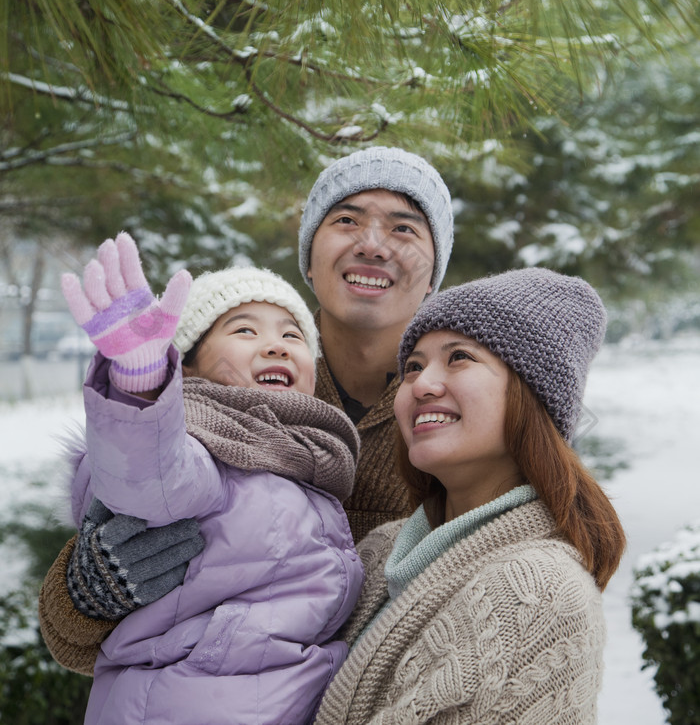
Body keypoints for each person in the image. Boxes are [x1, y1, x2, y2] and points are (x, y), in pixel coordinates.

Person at [38, 146, 454, 671]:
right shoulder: (223, 397)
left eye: (404, 228)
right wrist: (89, 594)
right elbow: (74, 642)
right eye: (347, 220)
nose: (372, 244)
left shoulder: (457, 402)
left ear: (436, 266)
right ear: (309, 254)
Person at [61, 232, 364, 725]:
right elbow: (149, 477)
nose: (276, 345)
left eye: (293, 335)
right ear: (192, 363)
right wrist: (141, 384)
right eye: (245, 331)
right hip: (192, 699)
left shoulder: (305, 455)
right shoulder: (203, 443)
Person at [313, 268, 627, 725]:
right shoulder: (381, 550)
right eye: (413, 366)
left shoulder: (538, 593)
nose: (421, 384)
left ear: (530, 395)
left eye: (459, 357)